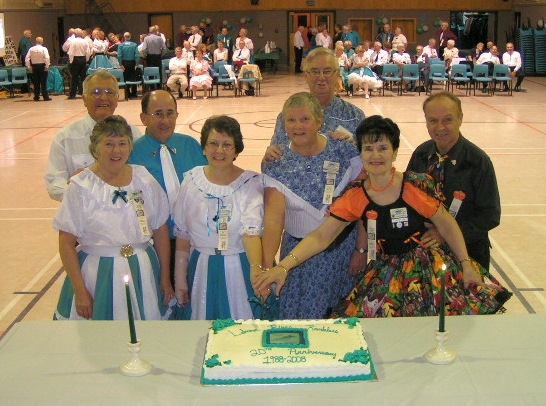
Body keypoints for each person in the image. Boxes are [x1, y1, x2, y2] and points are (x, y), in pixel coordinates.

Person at [255, 114, 511, 318]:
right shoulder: (356, 195)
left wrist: (466, 264)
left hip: (430, 271)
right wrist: (283, 266)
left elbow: (446, 223)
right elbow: (321, 236)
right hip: (388, 272)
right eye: (368, 148)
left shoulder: (414, 185)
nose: (375, 155)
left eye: (382, 148)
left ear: (395, 152)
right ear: (361, 154)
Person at [53, 115, 173, 320]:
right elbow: (66, 243)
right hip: (97, 275)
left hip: (142, 271)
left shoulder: (143, 178)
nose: (116, 150)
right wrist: (80, 290)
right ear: (95, 149)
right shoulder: (81, 186)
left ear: (130, 147)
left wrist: (164, 276)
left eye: (122, 143)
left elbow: (160, 229)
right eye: (108, 144)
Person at [261, 92, 362, 319]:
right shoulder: (276, 162)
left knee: (342, 322)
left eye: (305, 119)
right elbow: (274, 221)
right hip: (298, 259)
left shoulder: (344, 151)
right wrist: (267, 267)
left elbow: (365, 203)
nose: (298, 126)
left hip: (343, 253)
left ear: (320, 121)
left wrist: (362, 249)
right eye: (291, 120)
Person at [171, 115, 273, 320]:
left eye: (227, 145)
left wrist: (255, 271)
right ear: (204, 147)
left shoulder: (250, 183)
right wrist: (180, 280)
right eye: (213, 143)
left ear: (236, 150)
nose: (219, 150)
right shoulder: (190, 180)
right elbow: (183, 237)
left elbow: (251, 234)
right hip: (200, 269)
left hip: (239, 267)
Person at [407, 92, 501, 270]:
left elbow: (490, 215)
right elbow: (408, 198)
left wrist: (445, 233)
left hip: (469, 254)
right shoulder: (421, 154)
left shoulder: (478, 161)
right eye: (433, 120)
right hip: (425, 253)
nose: (440, 127)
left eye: (448, 120)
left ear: (460, 118)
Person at [128, 90, 207, 279]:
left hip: (193, 242)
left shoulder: (190, 146)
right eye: (158, 114)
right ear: (143, 118)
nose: (165, 120)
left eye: (170, 113)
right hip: (152, 245)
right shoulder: (131, 154)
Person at [45, 70, 142, 202]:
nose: (103, 97)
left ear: (117, 98)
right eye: (96, 92)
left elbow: (142, 177)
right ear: (84, 99)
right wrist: (75, 187)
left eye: (109, 92)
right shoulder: (65, 138)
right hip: (82, 210)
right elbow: (54, 184)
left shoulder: (133, 135)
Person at [268, 47, 365, 148]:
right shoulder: (288, 116)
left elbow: (368, 154)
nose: (321, 77)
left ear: (337, 74)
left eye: (327, 71)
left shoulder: (355, 116)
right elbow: (274, 153)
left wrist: (354, 147)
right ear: (306, 76)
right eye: (315, 72)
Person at [63, 28, 91, 99]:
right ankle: (85, 93)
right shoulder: (85, 41)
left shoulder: (73, 41)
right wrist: (86, 59)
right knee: (83, 77)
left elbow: (70, 52)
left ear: (75, 34)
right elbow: (88, 52)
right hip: (83, 59)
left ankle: (72, 95)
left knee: (74, 78)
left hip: (75, 59)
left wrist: (71, 61)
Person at [25, 36, 51, 102]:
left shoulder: (31, 49)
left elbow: (27, 59)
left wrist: (29, 66)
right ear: (42, 42)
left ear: (35, 41)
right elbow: (47, 57)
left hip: (34, 67)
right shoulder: (44, 49)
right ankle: (45, 97)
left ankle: (36, 97)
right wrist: (47, 66)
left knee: (36, 83)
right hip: (42, 66)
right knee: (43, 82)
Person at [117, 32, 140, 99]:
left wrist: (120, 64)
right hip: (133, 62)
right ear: (130, 37)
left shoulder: (121, 45)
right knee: (133, 78)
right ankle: (134, 93)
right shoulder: (134, 45)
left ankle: (127, 94)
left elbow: (119, 55)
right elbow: (137, 55)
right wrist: (137, 64)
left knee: (126, 78)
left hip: (124, 63)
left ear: (124, 37)